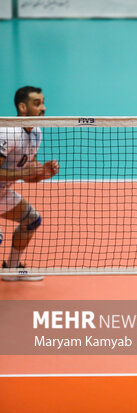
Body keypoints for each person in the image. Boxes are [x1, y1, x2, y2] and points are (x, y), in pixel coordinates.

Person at [1, 86, 60, 281]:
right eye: (37, 103)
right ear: (22, 107)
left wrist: (43, 173)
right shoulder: (8, 132)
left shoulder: (36, 133)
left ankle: (12, 267)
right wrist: (26, 171)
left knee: (32, 220)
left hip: (2, 193)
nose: (43, 108)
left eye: (43, 103)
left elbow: (28, 172)